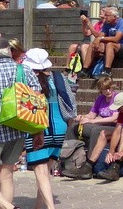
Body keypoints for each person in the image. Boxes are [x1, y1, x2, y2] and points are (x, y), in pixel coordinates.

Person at [0, 38, 42, 209]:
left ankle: (9, 207)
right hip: (18, 128)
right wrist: (38, 131)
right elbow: (38, 101)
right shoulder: (23, 69)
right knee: (6, 173)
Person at [22, 47, 76, 209]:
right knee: (46, 172)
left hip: (37, 127)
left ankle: (50, 207)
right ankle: (39, 206)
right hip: (59, 126)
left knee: (41, 172)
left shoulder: (26, 80)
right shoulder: (59, 77)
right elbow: (71, 103)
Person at [61, 76, 123, 179]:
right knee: (73, 127)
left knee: (95, 130)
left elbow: (114, 118)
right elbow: (91, 115)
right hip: (99, 124)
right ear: (100, 90)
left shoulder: (117, 98)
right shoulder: (100, 99)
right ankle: (69, 159)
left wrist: (93, 121)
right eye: (105, 89)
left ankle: (88, 166)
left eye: (110, 88)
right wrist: (82, 117)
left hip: (113, 128)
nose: (108, 91)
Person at [84, 6, 123, 77]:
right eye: (105, 15)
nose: (105, 17)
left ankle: (107, 71)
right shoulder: (107, 24)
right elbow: (100, 36)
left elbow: (116, 39)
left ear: (114, 17)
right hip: (115, 48)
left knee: (110, 44)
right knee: (92, 44)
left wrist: (100, 39)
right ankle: (85, 70)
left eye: (107, 15)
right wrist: (97, 41)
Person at [69, 9, 106, 76]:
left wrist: (89, 23)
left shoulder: (106, 24)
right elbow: (87, 33)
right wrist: (84, 23)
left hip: (102, 45)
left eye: (103, 10)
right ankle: (68, 68)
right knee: (73, 46)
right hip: (95, 44)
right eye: (100, 10)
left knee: (84, 46)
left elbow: (97, 35)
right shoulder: (98, 23)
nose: (100, 11)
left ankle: (86, 69)